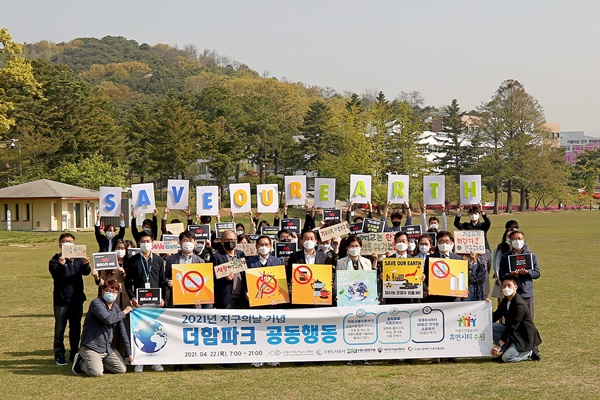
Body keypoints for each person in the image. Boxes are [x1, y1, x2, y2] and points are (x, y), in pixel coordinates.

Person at [165, 230, 212, 372]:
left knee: (194, 331)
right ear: (180, 243)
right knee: (178, 331)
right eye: (185, 240)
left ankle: (194, 360)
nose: (188, 243)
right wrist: (168, 282)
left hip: (195, 302)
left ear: (195, 244)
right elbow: (165, 277)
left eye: (190, 241)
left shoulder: (201, 261)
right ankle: (177, 362)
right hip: (177, 301)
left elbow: (204, 283)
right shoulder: (171, 259)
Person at [124, 230, 166, 373]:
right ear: (139, 243)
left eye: (148, 241)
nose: (145, 244)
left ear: (153, 243)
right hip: (139, 302)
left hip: (155, 301)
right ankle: (139, 362)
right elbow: (128, 283)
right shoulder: (133, 260)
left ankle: (156, 361)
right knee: (139, 331)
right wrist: (132, 298)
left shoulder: (159, 261)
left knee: (155, 330)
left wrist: (162, 298)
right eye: (143, 242)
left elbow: (162, 281)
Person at [72, 280, 132, 377]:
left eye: (114, 292)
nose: (111, 294)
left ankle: (96, 363)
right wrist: (124, 312)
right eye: (108, 291)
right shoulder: (96, 303)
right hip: (91, 347)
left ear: (117, 293)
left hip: (107, 348)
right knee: (97, 373)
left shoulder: (116, 308)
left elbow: (122, 332)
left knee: (121, 369)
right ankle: (81, 363)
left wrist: (129, 353)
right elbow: (108, 319)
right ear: (103, 291)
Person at [48, 233, 91, 365]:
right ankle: (59, 354)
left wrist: (85, 264)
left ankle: (74, 353)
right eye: (65, 241)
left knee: (75, 329)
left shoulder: (78, 258)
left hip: (76, 300)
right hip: (61, 301)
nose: (68, 243)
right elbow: (57, 276)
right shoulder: (55, 260)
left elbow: (86, 272)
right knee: (60, 329)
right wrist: (61, 265)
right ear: (60, 244)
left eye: (70, 241)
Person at [246, 235, 283, 368]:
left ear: (271, 246)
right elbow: (246, 280)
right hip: (256, 301)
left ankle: (273, 356)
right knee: (257, 329)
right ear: (256, 247)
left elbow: (280, 283)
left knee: (272, 329)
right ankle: (257, 357)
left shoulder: (278, 261)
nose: (264, 247)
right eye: (261, 244)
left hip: (272, 302)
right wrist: (246, 292)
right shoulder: (249, 262)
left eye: (267, 244)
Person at [491, 275, 542, 363]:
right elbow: (495, 317)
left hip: (524, 336)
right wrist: (486, 306)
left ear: (516, 286)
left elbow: (513, 326)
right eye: (504, 286)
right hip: (513, 334)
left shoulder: (519, 304)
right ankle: (508, 348)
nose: (506, 288)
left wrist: (499, 345)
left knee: (506, 358)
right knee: (490, 327)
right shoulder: (505, 301)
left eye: (509, 285)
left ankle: (529, 352)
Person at [498, 230, 540, 319]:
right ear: (510, 241)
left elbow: (537, 273)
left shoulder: (531, 256)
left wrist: (528, 272)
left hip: (526, 293)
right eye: (514, 239)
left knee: (528, 320)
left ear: (524, 240)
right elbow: (501, 274)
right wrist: (510, 274)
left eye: (519, 238)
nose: (517, 241)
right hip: (512, 294)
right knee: (512, 319)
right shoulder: (505, 257)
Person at [212, 230, 247, 310]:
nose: (230, 242)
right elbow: (213, 277)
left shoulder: (241, 254)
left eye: (233, 240)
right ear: (222, 241)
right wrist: (225, 278)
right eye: (227, 240)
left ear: (236, 241)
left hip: (241, 297)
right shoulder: (216, 257)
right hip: (226, 297)